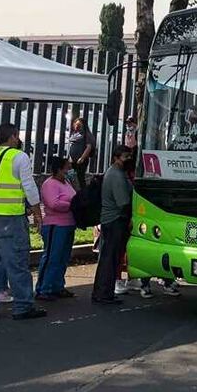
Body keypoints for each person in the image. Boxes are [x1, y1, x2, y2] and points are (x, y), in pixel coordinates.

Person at [0, 123, 45, 321]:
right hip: (11, 217)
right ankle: (23, 306)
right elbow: (29, 187)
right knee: (17, 262)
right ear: (13, 137)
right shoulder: (19, 157)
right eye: (17, 136)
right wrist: (38, 213)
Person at [92, 145, 133, 304]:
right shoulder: (116, 175)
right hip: (114, 220)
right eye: (125, 157)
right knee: (109, 258)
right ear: (116, 158)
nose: (128, 160)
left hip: (112, 220)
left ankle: (104, 292)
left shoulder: (117, 173)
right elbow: (123, 201)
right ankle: (103, 293)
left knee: (110, 258)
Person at [34, 157, 77, 301]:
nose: (69, 171)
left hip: (68, 224)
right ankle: (43, 288)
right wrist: (71, 204)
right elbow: (54, 204)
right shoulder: (49, 184)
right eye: (67, 168)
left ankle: (57, 286)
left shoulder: (67, 183)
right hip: (55, 225)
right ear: (59, 169)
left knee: (63, 257)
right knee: (52, 257)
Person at [67, 117, 96, 188]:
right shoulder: (75, 134)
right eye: (75, 124)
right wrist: (70, 157)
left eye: (79, 124)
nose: (76, 126)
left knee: (80, 177)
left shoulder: (87, 134)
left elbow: (88, 147)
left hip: (81, 160)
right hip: (72, 159)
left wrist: (82, 158)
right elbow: (71, 145)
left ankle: (83, 192)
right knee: (70, 175)